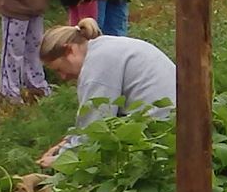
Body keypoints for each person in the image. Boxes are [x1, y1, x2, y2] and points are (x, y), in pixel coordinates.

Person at [36, 21, 177, 166]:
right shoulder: (104, 47)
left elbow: (95, 127)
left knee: (104, 162)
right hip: (176, 118)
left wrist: (59, 161)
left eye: (59, 69)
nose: (63, 77)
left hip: (163, 132)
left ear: (69, 50)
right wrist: (64, 145)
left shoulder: (95, 67)